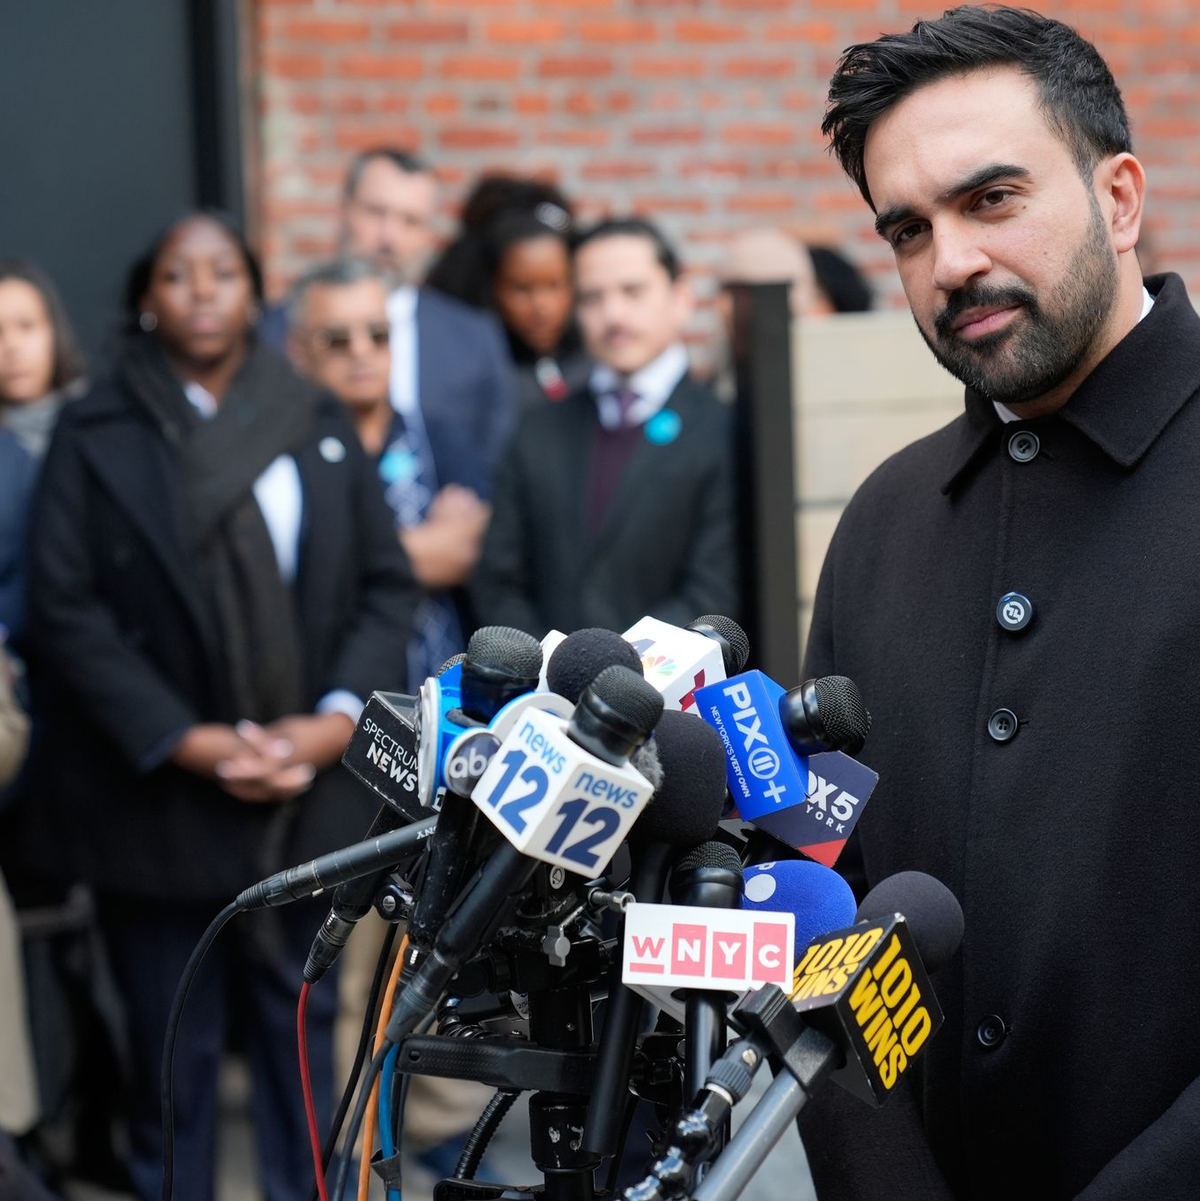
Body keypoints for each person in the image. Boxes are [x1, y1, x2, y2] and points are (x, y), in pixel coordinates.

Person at [799, 7, 1200, 1200]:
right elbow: (826, 910)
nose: (951, 262)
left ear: (1119, 198)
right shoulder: (884, 521)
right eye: (910, 229)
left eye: (992, 200)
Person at [26, 211, 417, 1201]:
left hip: (307, 796)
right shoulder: (97, 427)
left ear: (254, 293)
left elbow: (384, 585)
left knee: (300, 1056)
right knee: (176, 1067)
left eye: (223, 272)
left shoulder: (313, 415)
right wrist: (187, 739)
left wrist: (334, 721)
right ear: (145, 298)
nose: (202, 289)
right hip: (157, 801)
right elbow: (64, 608)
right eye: (177, 274)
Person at [473, 217, 738, 635]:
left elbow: (716, 589)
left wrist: (620, 671)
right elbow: (497, 581)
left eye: (633, 292)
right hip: (547, 692)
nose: (612, 314)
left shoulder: (722, 429)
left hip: (673, 692)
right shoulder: (537, 428)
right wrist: (549, 672)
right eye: (592, 298)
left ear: (681, 299)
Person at [287, 258, 491, 685]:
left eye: (377, 334)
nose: (362, 351)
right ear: (298, 350)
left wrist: (343, 562)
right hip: (330, 706)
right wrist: (423, 547)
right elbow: (296, 577)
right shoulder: (285, 453)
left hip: (439, 702)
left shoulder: (437, 437)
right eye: (337, 339)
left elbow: (466, 551)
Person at [427, 175, 591, 409]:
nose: (541, 306)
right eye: (522, 289)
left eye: (555, 285)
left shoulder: (598, 362)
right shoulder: (463, 377)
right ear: (490, 287)